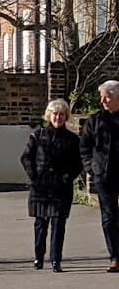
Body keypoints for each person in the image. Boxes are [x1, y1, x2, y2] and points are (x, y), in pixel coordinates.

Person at [22, 98, 81, 271]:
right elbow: (26, 156)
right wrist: (33, 175)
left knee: (58, 224)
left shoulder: (72, 139)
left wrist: (67, 177)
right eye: (55, 114)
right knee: (40, 223)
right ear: (49, 115)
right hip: (40, 187)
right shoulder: (38, 135)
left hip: (61, 188)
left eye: (62, 114)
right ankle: (38, 258)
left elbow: (78, 163)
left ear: (66, 117)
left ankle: (56, 260)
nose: (58, 117)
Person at [79, 80, 119, 274]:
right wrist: (91, 168)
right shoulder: (95, 120)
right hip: (103, 175)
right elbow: (85, 147)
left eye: (107, 96)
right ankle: (115, 257)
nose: (103, 100)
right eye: (102, 96)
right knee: (109, 218)